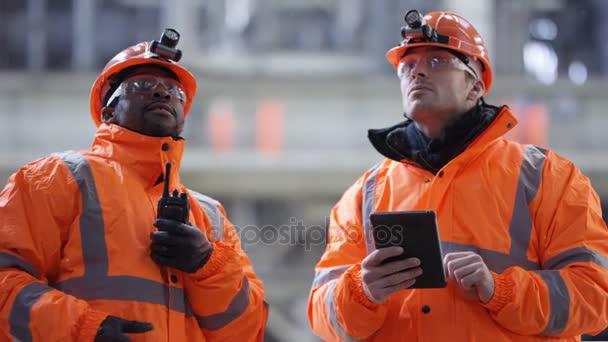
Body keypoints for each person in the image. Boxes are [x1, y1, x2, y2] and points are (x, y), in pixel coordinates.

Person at [308, 10, 608, 341]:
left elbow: (596, 296)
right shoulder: (365, 193)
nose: (417, 72)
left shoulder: (548, 179)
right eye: (407, 67)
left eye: (437, 61)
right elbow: (323, 314)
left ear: (475, 86)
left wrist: (501, 290)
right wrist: (363, 291)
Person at [0, 29, 267, 341]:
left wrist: (206, 264)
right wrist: (83, 328)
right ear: (108, 111)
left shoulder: (210, 216)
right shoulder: (57, 178)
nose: (163, 93)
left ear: (182, 119)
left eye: (174, 92)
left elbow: (247, 330)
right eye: (142, 85)